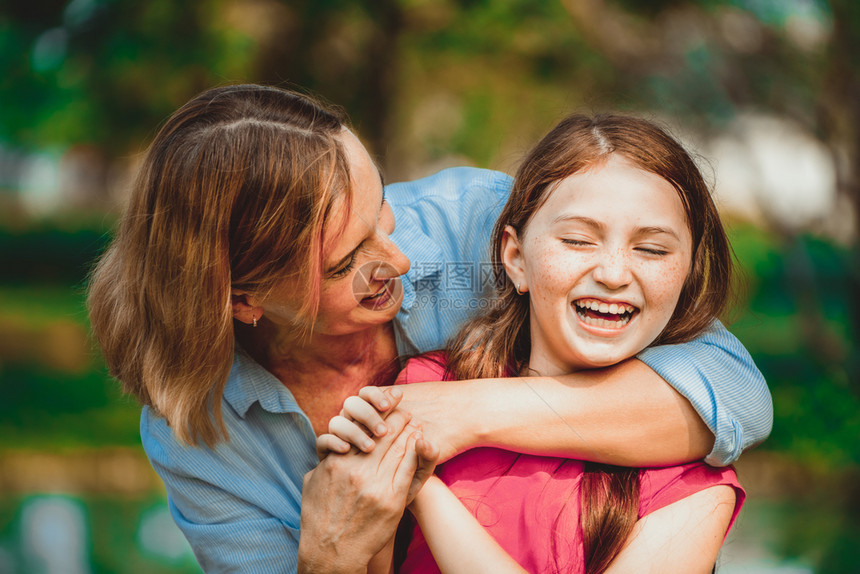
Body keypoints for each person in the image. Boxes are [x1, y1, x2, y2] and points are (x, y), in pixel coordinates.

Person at [86, 84, 770, 573]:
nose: (400, 258)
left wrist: (455, 413)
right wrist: (330, 555)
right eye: (349, 261)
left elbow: (735, 396)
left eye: (382, 211)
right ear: (245, 300)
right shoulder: (201, 432)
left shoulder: (469, 227)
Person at [324, 113, 747, 573]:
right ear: (515, 258)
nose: (613, 274)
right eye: (578, 240)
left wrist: (424, 491)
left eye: (652, 249)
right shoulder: (421, 387)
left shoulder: (696, 482)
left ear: (687, 275)